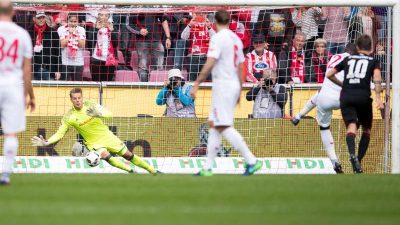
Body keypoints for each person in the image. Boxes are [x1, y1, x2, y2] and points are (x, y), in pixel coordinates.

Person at [190, 10, 262, 176]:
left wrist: (197, 83)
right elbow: (241, 66)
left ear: (214, 21)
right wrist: (240, 88)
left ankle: (251, 160)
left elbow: (211, 62)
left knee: (223, 125)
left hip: (223, 85)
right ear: (229, 21)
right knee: (214, 124)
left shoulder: (217, 37)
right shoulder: (235, 38)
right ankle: (207, 168)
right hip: (232, 85)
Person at [31, 88, 158, 175]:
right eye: (74, 98)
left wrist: (99, 113)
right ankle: (132, 172)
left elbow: (110, 115)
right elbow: (60, 133)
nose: (77, 100)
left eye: (79, 98)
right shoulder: (69, 116)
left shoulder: (91, 104)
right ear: (71, 100)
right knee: (105, 156)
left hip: (107, 136)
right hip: (93, 143)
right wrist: (47, 142)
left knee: (128, 155)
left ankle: (153, 171)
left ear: (82, 97)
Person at [291, 43, 357, 173]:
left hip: (325, 99)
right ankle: (298, 116)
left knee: (324, 127)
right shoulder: (355, 61)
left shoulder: (334, 57)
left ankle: (334, 161)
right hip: (343, 99)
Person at [326, 35, 384, 173]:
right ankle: (358, 160)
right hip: (363, 97)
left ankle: (352, 155)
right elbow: (377, 78)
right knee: (366, 130)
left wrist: (343, 84)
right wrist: (378, 97)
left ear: (357, 47)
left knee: (352, 127)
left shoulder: (348, 59)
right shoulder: (373, 60)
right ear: (370, 48)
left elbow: (329, 74)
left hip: (346, 97)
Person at [0, 0, 35, 185]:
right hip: (12, 85)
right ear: (13, 12)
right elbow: (26, 70)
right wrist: (30, 94)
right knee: (10, 132)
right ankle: (5, 173)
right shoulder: (22, 35)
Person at [126, 12, 171, 82]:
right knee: (143, 67)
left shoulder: (156, 5)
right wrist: (139, 31)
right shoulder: (134, 6)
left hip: (157, 40)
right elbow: (128, 25)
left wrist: (168, 37)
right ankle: (144, 87)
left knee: (159, 67)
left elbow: (164, 20)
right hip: (141, 41)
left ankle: (158, 87)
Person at [181, 11, 216, 81]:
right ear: (194, 14)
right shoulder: (190, 25)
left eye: (204, 13)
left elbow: (216, 39)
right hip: (193, 57)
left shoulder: (210, 25)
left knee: (210, 81)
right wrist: (190, 25)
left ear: (207, 14)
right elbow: (183, 37)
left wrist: (209, 27)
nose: (201, 15)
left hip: (207, 57)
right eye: (198, 13)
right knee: (192, 81)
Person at [28, 11, 61, 80]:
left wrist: (58, 70)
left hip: (49, 69)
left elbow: (57, 52)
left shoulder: (53, 33)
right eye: (39, 18)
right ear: (34, 19)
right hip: (32, 70)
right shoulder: (28, 33)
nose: (41, 20)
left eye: (43, 17)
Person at [57, 13, 86, 81]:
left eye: (75, 21)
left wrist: (75, 34)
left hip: (78, 63)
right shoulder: (61, 29)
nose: (73, 23)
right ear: (67, 21)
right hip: (65, 63)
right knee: (65, 87)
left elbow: (82, 45)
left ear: (78, 22)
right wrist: (70, 35)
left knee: (77, 87)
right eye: (71, 21)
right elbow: (62, 45)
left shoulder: (81, 29)